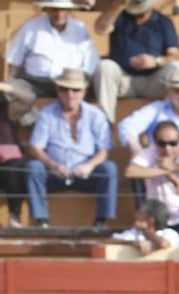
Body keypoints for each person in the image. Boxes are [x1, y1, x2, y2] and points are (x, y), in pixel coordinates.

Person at [25, 69, 117, 228]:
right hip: (55, 173)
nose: (70, 94)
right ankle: (42, 221)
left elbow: (104, 150)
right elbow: (35, 147)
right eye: (64, 89)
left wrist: (89, 166)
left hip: (86, 174)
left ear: (84, 90)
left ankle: (101, 221)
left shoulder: (96, 115)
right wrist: (54, 165)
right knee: (33, 167)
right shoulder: (46, 114)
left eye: (76, 90)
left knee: (109, 168)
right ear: (57, 90)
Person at [3, 0, 99, 126]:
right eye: (55, 9)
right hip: (36, 83)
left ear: (69, 11)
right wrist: (12, 82)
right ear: (47, 9)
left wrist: (79, 82)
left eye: (63, 10)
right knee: (9, 88)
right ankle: (32, 120)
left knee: (80, 89)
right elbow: (14, 60)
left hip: (69, 83)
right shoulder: (31, 27)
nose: (59, 14)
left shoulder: (80, 28)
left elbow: (91, 63)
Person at [93, 0, 179, 123]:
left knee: (177, 67)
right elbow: (99, 29)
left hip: (152, 81)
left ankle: (173, 123)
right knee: (105, 67)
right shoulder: (120, 17)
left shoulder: (163, 21)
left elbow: (173, 55)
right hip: (124, 81)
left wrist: (156, 61)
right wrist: (119, 5)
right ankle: (105, 125)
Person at [117, 69, 179, 156]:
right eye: (178, 91)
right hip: (157, 166)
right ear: (170, 92)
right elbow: (126, 126)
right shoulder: (156, 109)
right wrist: (135, 147)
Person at [113, 198, 179, 254]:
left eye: (140, 213)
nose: (135, 215)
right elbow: (107, 241)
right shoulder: (133, 233)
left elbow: (163, 244)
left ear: (151, 220)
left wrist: (144, 230)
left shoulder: (170, 233)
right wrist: (132, 242)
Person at [0, 108, 26, 225]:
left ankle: (14, 216)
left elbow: (28, 98)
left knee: (14, 167)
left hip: (8, 163)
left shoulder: (9, 109)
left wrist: (6, 88)